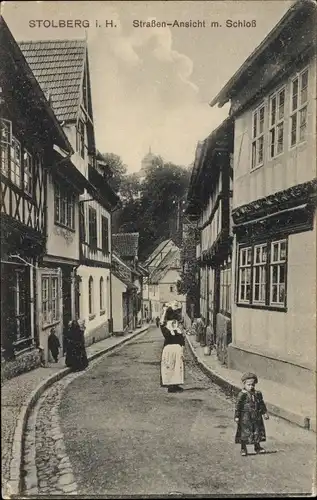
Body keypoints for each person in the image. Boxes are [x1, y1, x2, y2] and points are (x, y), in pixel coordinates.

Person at [234, 372, 269, 456]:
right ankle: (243, 448)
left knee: (257, 431)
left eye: (253, 385)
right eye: (249, 385)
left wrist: (264, 413)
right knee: (244, 432)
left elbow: (261, 403)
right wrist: (237, 416)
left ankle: (257, 447)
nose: (251, 387)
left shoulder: (258, 394)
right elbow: (238, 406)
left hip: (256, 416)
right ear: (244, 384)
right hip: (245, 417)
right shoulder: (242, 394)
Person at [160, 300, 185, 393]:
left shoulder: (178, 328)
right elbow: (162, 323)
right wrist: (165, 311)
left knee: (178, 367)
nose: (174, 323)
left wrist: (182, 348)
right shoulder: (165, 328)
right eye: (172, 321)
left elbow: (182, 339)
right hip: (169, 348)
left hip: (177, 348)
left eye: (175, 321)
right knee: (169, 366)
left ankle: (176, 384)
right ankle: (170, 385)